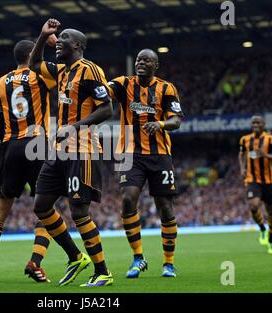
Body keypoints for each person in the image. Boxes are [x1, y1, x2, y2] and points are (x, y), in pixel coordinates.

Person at [29, 18, 114, 287]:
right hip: (59, 151)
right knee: (41, 205)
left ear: (77, 45)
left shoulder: (90, 71)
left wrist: (74, 127)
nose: (58, 41)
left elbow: (107, 109)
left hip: (83, 149)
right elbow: (33, 65)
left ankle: (102, 271)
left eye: (63, 37)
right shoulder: (62, 72)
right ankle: (76, 257)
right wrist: (43, 36)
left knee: (78, 210)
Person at [0, 40, 54, 283]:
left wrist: (9, 146)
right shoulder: (40, 74)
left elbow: (0, 123)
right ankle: (35, 262)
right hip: (37, 142)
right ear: (32, 54)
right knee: (47, 210)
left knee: (0, 211)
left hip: (11, 146)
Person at [108, 48, 183, 278]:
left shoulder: (166, 88)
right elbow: (102, 91)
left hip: (159, 155)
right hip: (129, 153)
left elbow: (176, 120)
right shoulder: (123, 84)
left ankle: (168, 263)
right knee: (128, 198)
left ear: (155, 66)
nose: (141, 62)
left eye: (146, 60)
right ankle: (138, 258)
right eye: (139, 59)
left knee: (165, 207)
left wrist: (159, 124)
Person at [238, 115, 272, 254]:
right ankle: (262, 229)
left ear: (263, 124)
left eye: (258, 122)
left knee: (270, 211)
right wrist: (242, 168)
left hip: (269, 182)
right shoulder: (245, 139)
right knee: (253, 206)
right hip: (252, 180)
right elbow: (241, 154)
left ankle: (271, 239)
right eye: (253, 122)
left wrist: (266, 155)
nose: (255, 124)